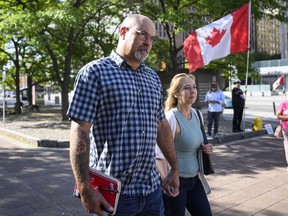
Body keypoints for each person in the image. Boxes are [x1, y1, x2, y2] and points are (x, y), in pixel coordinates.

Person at [67, 14, 179, 216]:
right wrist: (84, 187)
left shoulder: (152, 77)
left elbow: (161, 126)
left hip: (151, 191)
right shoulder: (94, 72)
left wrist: (174, 168)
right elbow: (80, 132)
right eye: (143, 35)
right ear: (123, 32)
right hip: (113, 194)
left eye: (152, 38)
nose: (148, 42)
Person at [156, 73, 213, 216]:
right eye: (186, 88)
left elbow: (194, 141)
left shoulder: (197, 114)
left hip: (195, 179)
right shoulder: (170, 117)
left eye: (194, 87)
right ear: (176, 94)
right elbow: (158, 155)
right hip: (175, 182)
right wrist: (166, 182)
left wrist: (205, 147)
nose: (192, 91)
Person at [276, 97, 288, 171]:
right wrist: (286, 117)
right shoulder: (283, 103)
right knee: (287, 148)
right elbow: (278, 116)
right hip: (286, 129)